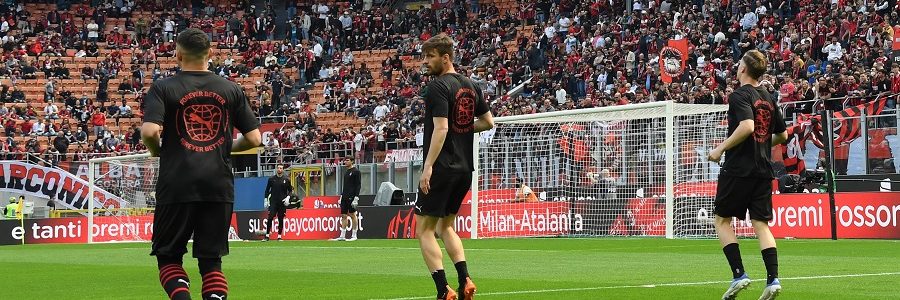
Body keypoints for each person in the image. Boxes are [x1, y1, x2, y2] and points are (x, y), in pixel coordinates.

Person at [141, 28, 261, 300]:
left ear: (178, 54)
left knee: (169, 257)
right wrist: (225, 148)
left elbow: (149, 132)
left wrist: (157, 151)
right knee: (211, 262)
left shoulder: (164, 87)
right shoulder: (231, 89)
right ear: (210, 54)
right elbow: (254, 138)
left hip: (177, 183)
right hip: (217, 184)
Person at [416, 34, 494, 300]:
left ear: (445, 57)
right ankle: (465, 280)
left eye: (430, 56)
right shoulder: (472, 85)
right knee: (446, 227)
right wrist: (462, 130)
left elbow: (441, 128)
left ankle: (443, 290)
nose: (425, 62)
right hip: (464, 169)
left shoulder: (438, 86)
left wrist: (428, 167)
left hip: (442, 167)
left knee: (424, 230)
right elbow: (487, 122)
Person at [707, 50, 787, 300]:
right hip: (763, 169)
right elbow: (782, 136)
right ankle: (773, 280)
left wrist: (720, 148)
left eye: (739, 62)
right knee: (761, 224)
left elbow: (747, 126)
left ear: (743, 69)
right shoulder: (769, 97)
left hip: (739, 168)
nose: (737, 65)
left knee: (721, 220)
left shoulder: (740, 95)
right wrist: (761, 143)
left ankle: (739, 274)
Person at [331, 157, 361, 241]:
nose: (345, 162)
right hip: (345, 195)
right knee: (343, 215)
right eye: (345, 160)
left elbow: (358, 185)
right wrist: (341, 195)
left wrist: (356, 197)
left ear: (352, 161)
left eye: (347, 160)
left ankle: (354, 235)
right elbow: (345, 185)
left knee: (352, 214)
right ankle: (342, 235)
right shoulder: (346, 172)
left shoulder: (356, 172)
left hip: (352, 196)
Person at [263, 164, 292, 241]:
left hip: (282, 202)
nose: (279, 169)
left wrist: (288, 197)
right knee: (270, 217)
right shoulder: (271, 179)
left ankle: (279, 236)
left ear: (283, 170)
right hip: (273, 202)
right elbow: (267, 190)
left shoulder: (287, 179)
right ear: (276, 169)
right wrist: (265, 199)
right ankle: (267, 235)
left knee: (280, 218)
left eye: (281, 168)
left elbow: (290, 190)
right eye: (278, 168)